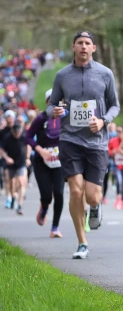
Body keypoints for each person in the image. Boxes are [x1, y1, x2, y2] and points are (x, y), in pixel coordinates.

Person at [47, 31, 121, 259]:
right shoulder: (62, 75)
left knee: (92, 196)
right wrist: (55, 112)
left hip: (97, 143)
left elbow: (115, 106)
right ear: (73, 47)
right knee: (76, 191)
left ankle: (96, 207)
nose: (83, 47)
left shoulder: (105, 74)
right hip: (70, 140)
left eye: (87, 43)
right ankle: (82, 242)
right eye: (79, 43)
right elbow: (50, 107)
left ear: (94, 48)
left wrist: (103, 121)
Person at [26, 89, 64, 237]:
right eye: (51, 101)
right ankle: (44, 208)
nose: (54, 104)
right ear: (47, 102)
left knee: (59, 193)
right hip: (42, 162)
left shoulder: (65, 119)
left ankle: (55, 227)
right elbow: (28, 137)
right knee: (47, 196)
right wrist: (40, 150)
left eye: (57, 101)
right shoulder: (41, 118)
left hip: (59, 162)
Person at [0, 116, 30, 215]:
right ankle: (12, 197)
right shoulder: (8, 137)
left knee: (21, 182)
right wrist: (7, 158)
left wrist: (28, 158)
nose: (17, 134)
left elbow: (28, 146)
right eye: (15, 133)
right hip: (11, 163)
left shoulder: (24, 136)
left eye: (18, 132)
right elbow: (2, 150)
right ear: (12, 131)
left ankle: (20, 205)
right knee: (11, 183)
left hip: (21, 162)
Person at [109, 125, 123, 210]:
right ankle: (118, 198)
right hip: (116, 165)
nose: (118, 133)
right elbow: (108, 151)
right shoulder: (113, 141)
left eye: (120, 131)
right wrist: (112, 152)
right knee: (119, 181)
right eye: (117, 131)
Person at [1, 110, 16, 209]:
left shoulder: (17, 129)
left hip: (17, 157)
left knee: (15, 180)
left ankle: (14, 195)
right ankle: (9, 198)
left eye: (11, 117)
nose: (9, 119)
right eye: (8, 117)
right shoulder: (2, 132)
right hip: (6, 157)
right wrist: (5, 157)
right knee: (7, 178)